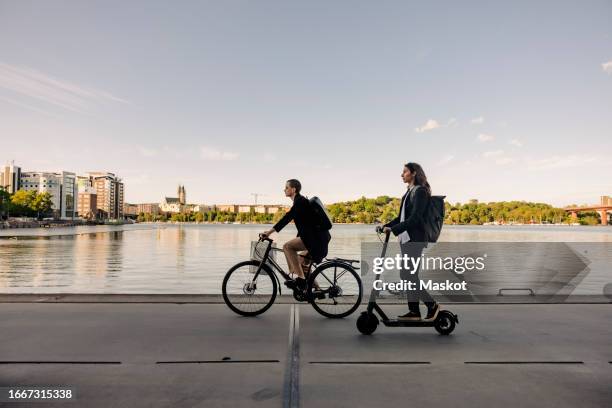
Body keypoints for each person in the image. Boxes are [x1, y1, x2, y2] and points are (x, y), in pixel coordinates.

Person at [383, 162, 440, 321]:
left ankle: (431, 306)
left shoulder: (420, 192)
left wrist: (394, 230)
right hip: (407, 239)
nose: (402, 175)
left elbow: (415, 218)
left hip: (415, 239)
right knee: (407, 274)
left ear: (414, 173)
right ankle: (414, 311)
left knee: (409, 275)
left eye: (405, 172)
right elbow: (402, 217)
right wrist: (386, 226)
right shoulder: (409, 192)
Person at [261, 179, 331, 292]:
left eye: (286, 187)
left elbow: (286, 218)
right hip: (318, 239)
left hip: (315, 240)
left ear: (293, 189)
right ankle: (318, 290)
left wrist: (268, 233)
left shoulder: (300, 202)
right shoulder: (300, 202)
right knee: (299, 263)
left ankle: (301, 280)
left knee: (287, 247)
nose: (284, 190)